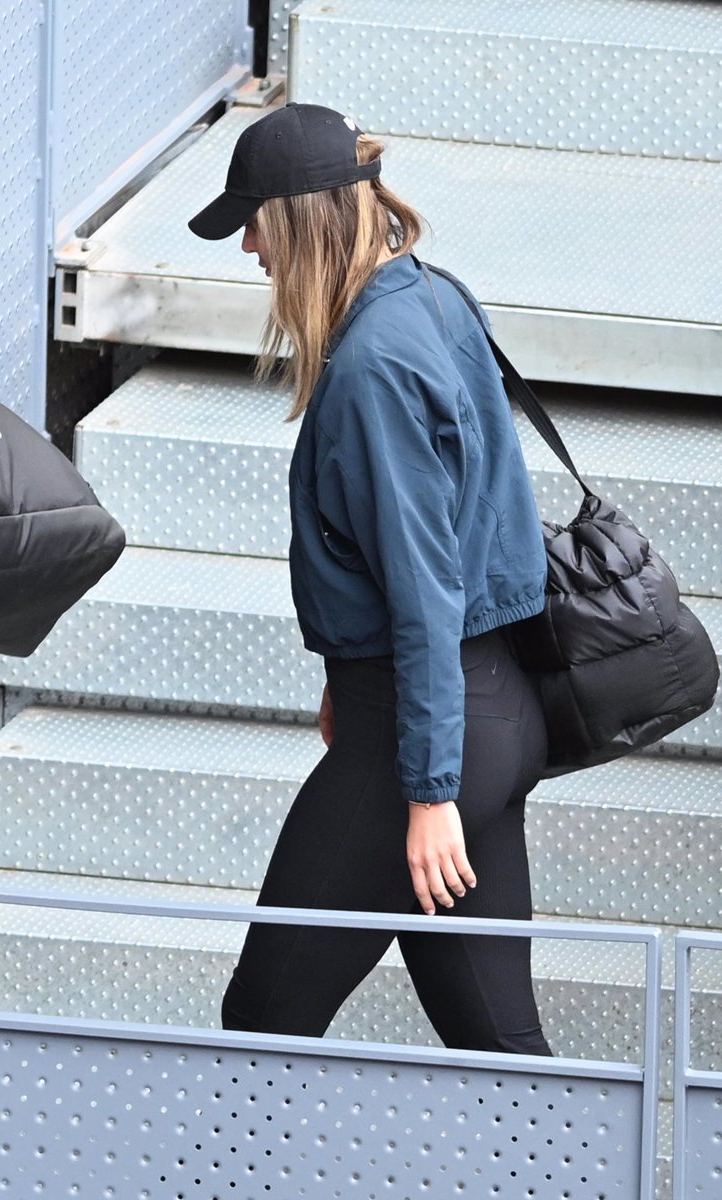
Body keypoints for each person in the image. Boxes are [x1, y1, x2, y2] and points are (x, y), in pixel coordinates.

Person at [188, 102, 551, 1055]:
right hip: (491, 711)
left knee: (263, 1026)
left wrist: (427, 794)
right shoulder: (433, 295)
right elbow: (453, 533)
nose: (249, 250)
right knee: (501, 1048)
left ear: (300, 222)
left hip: (416, 741)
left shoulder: (372, 370)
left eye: (254, 224)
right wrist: (344, 676)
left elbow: (426, 589)